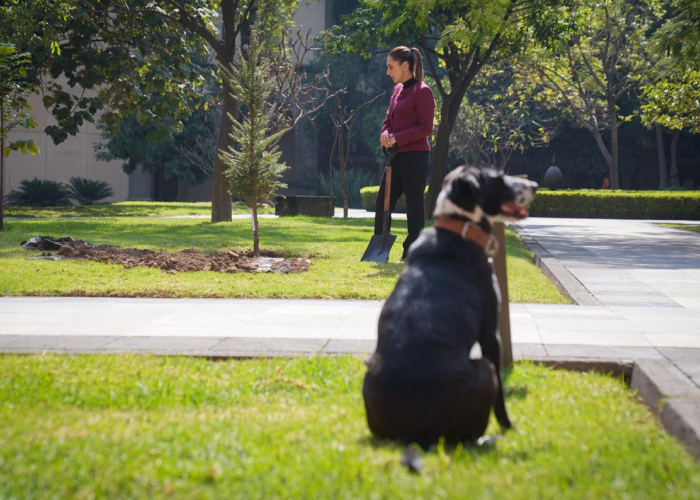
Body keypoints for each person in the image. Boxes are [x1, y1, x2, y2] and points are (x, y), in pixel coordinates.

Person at [376, 46, 435, 261]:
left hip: (416, 158)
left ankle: (412, 253)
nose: (388, 72)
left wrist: (397, 138)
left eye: (391, 67)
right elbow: (387, 120)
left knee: (414, 207)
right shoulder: (397, 91)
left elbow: (425, 127)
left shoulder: (423, 91)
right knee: (383, 203)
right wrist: (385, 134)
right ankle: (379, 251)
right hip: (396, 157)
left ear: (404, 66)